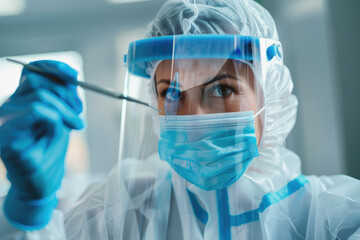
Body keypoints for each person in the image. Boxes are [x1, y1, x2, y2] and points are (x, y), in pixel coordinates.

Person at [1, 0, 360, 239]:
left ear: (272, 94)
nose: (194, 117)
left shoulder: (332, 217)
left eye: (221, 89)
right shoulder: (119, 213)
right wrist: (30, 216)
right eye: (172, 94)